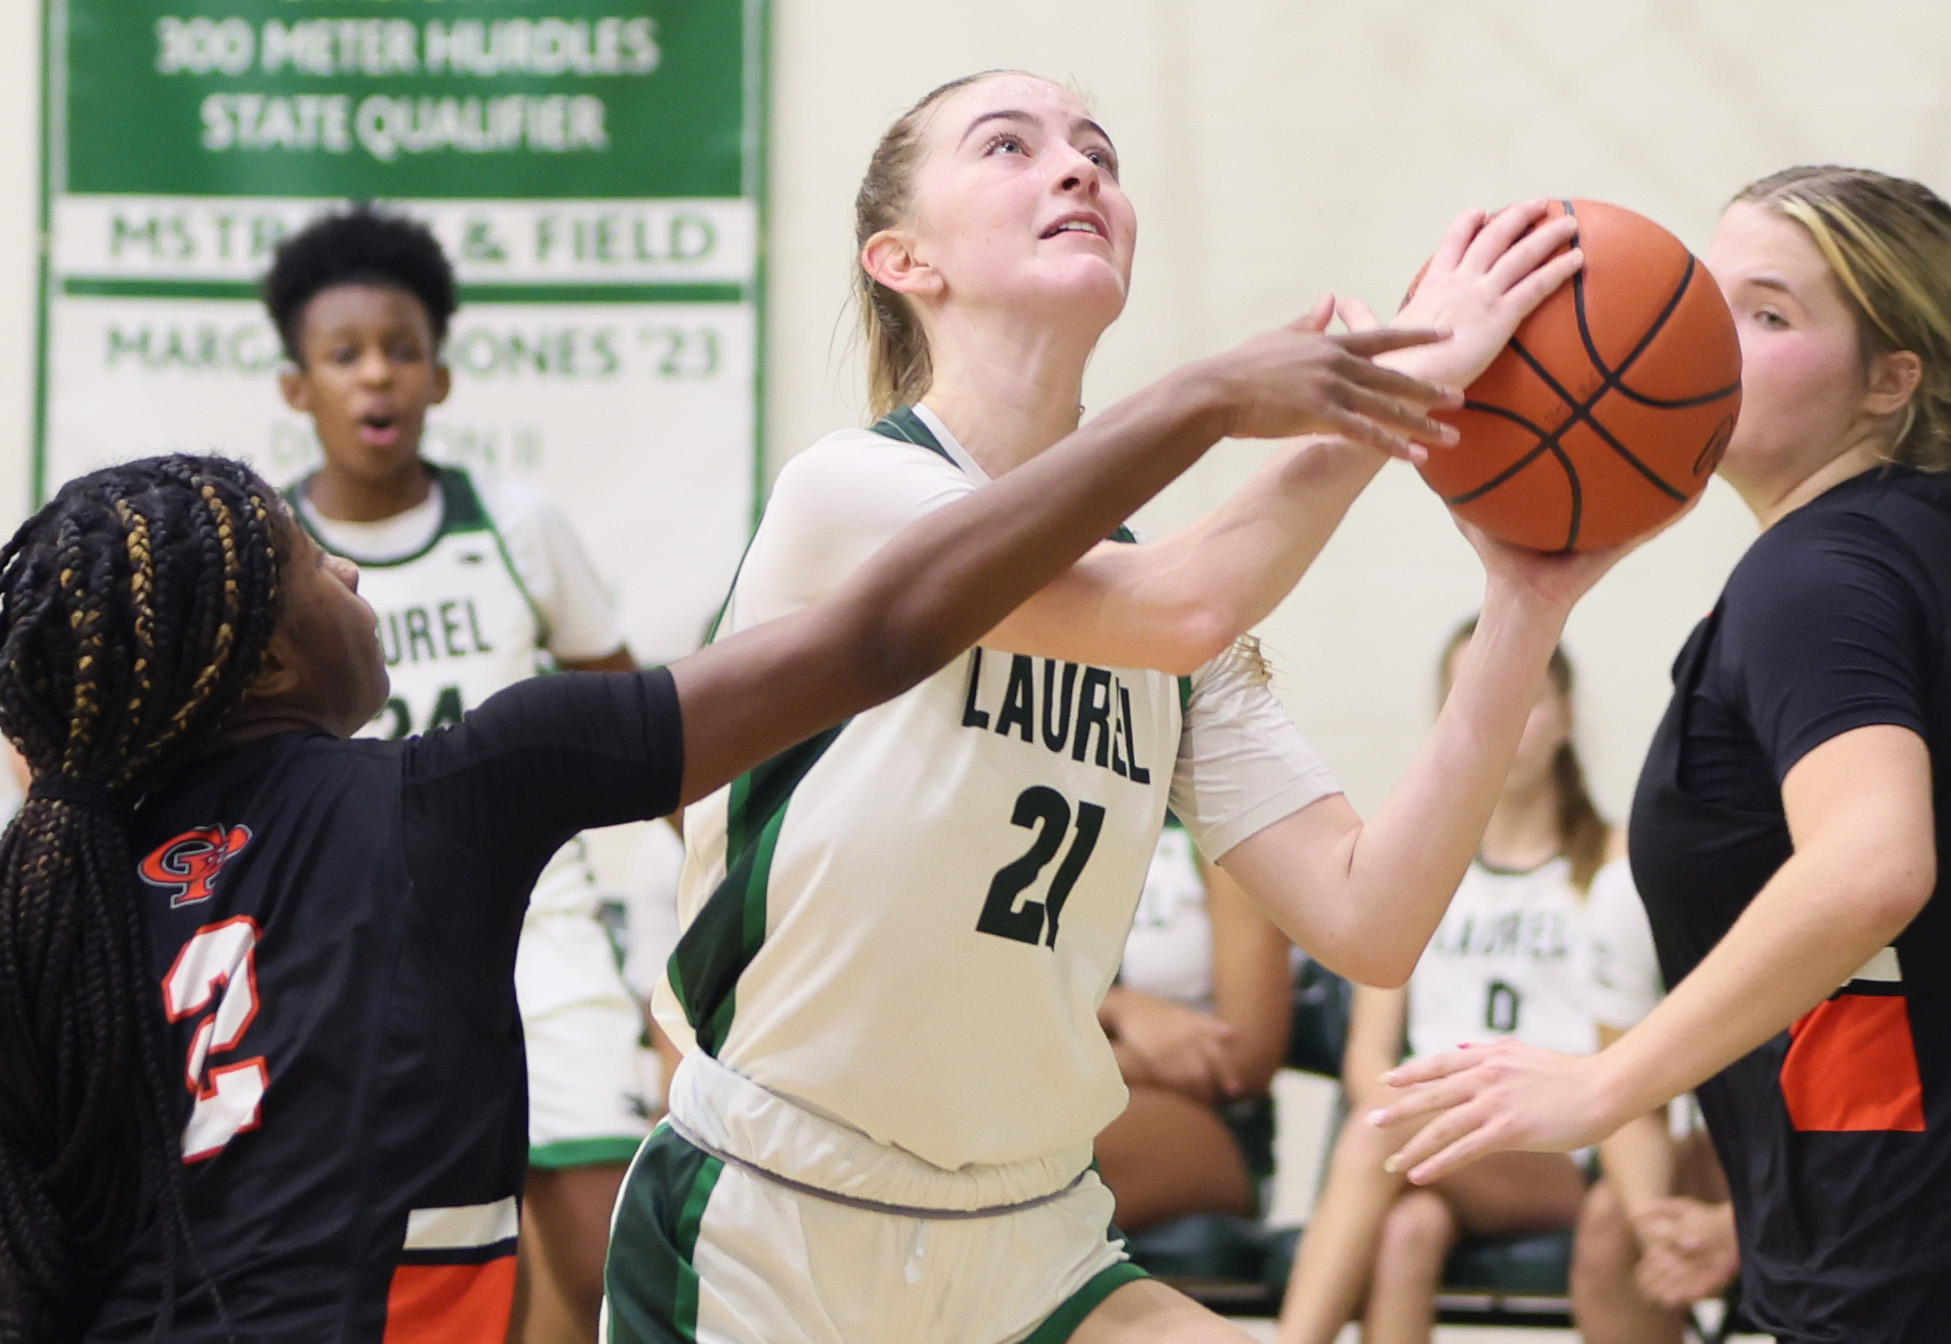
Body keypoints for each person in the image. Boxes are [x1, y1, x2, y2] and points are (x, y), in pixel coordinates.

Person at [0, 296, 1455, 1339]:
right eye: (315, 565)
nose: (358, 578)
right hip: (751, 1226)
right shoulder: (448, 790)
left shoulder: (56, 877)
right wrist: (1200, 402)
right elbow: (883, 628)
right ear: (258, 658)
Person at [616, 69, 1622, 1344]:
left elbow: (1371, 916)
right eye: (1008, 146)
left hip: (1033, 1237)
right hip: (770, 1220)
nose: (1078, 167)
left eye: (1097, 149)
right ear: (900, 257)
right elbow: (1172, 602)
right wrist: (1404, 386)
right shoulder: (853, 495)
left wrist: (1523, 604)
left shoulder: (1169, 595)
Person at [1373, 166, 1951, 1342]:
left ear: (1892, 380)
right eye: (1707, 293)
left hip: (1888, 1258)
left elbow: (1872, 865)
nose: (1712, 339)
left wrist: (1604, 1082)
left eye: (1770, 314)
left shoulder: (1817, 575)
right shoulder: (1900, 551)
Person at [263, 204, 647, 1344]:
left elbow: (634, 726)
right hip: (349, 948)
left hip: (543, 930)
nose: (376, 375)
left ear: (440, 374)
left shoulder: (517, 525)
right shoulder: (261, 548)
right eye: (345, 355)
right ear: (300, 387)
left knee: (604, 1249)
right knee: (434, 1280)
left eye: (402, 349)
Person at [1275, 621, 1615, 1344]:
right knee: (1407, 1234)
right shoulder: (1413, 865)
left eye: (1523, 696)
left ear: (1565, 716)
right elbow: (1367, 1060)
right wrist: (1429, 1114)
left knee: (1376, 1144)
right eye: (1473, 697)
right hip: (1434, 1138)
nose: (1499, 716)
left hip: (1553, 1147)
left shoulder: (1615, 860)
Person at [1093, 816, 1292, 1232]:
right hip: (1048, 1096)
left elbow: (1243, 1059)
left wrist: (1067, 1063)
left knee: (1017, 1156)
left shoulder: (1224, 829)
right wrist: (1120, 1009)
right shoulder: (1008, 812)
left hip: (1207, 1120)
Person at [1571, 859, 1738, 1344]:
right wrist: (1659, 1235)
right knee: (1613, 1222)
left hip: (1879, 1149)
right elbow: (1629, 1104)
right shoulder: (1630, 888)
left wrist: (1744, 1226)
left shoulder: (1839, 872)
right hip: (1753, 1151)